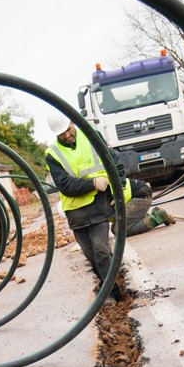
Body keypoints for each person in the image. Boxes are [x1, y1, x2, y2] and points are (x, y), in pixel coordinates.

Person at [45, 114, 123, 302]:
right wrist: (92, 183)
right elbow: (65, 185)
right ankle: (110, 281)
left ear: (72, 123)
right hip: (76, 213)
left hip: (99, 207)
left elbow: (116, 165)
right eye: (62, 134)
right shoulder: (52, 154)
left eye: (68, 130)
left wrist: (117, 193)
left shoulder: (91, 137)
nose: (66, 135)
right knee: (92, 255)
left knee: (101, 250)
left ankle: (113, 294)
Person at [110, 178, 177, 237]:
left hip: (141, 195)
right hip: (136, 194)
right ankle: (140, 216)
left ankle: (158, 217)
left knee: (120, 231)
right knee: (114, 229)